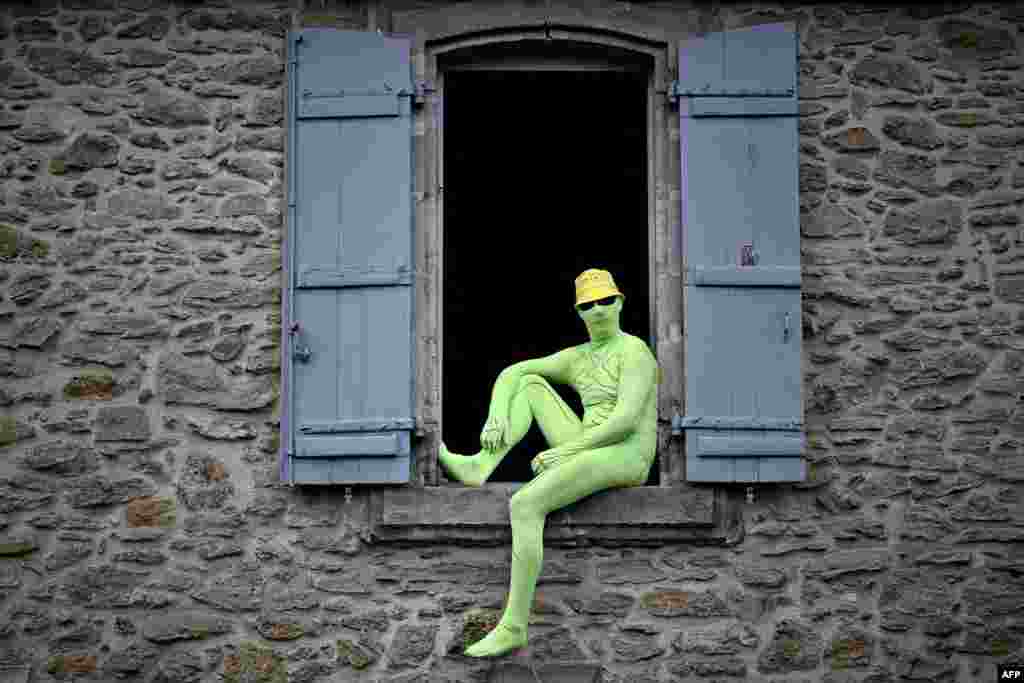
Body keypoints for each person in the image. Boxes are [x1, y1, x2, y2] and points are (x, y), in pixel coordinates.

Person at [439, 268, 659, 657]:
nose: (599, 310)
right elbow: (513, 372)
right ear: (579, 312)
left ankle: (513, 626)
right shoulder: (578, 357)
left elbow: (625, 420)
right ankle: (480, 466)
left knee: (525, 503)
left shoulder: (634, 351)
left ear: (620, 302)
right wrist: (495, 415)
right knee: (530, 385)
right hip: (587, 446)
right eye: (589, 305)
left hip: (625, 454)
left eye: (606, 301)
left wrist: (568, 452)